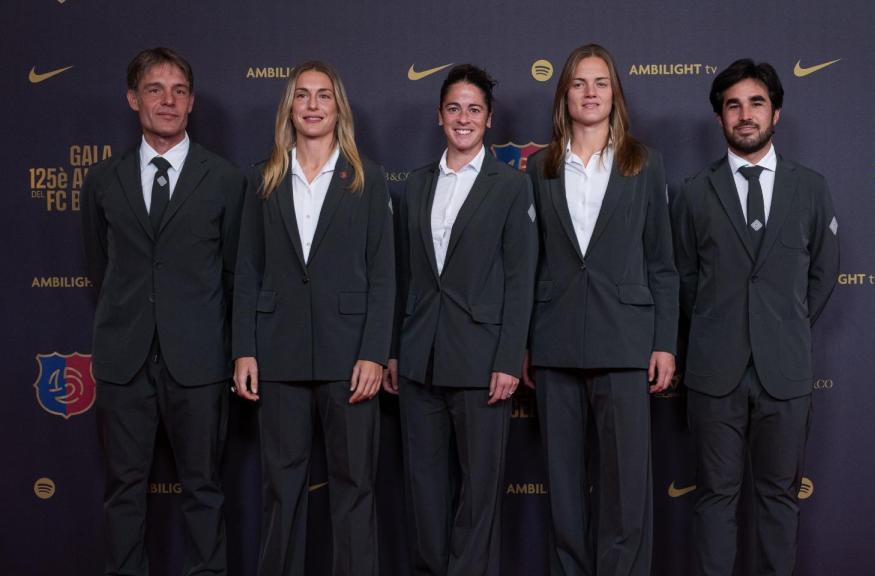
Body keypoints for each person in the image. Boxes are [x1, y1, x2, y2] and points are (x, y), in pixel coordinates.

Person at [81, 47, 245, 576]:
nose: (167, 101)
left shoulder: (223, 179)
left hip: (198, 363)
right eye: (155, 89)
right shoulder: (103, 180)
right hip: (123, 361)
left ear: (192, 102)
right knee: (123, 491)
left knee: (204, 489)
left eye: (178, 91)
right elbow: (100, 265)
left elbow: (233, 274)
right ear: (133, 99)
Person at [672, 59, 840, 576]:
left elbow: (823, 276)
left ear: (777, 113)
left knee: (778, 500)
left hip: (784, 373)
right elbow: (683, 280)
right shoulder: (693, 192)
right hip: (713, 373)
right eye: (733, 105)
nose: (745, 115)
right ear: (720, 118)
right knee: (714, 501)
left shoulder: (810, 189)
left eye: (756, 102)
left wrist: (778, 326)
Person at [231, 61, 395, 576]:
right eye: (302, 96)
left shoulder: (366, 179)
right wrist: (244, 349)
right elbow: (247, 271)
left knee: (354, 488)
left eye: (323, 96)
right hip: (277, 354)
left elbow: (384, 275)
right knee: (281, 489)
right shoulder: (261, 178)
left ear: (337, 107)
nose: (313, 105)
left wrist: (372, 351)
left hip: (349, 356)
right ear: (290, 107)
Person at [523, 43, 679, 576]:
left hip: (627, 342)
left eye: (601, 83)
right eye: (578, 83)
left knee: (625, 493)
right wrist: (523, 343)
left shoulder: (645, 163)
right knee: (564, 489)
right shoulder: (539, 167)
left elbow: (662, 263)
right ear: (564, 95)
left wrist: (663, 341)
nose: (590, 93)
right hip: (555, 342)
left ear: (616, 94)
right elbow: (529, 264)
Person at [383, 63, 537, 575]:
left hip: (482, 364)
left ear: (489, 119)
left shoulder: (511, 187)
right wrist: (393, 350)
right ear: (439, 116)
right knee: (424, 496)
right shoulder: (418, 184)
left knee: (478, 500)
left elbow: (521, 278)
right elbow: (402, 274)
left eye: (474, 109)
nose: (464, 118)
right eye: (454, 108)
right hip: (419, 362)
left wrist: (509, 358)